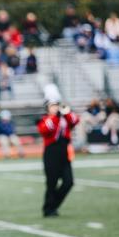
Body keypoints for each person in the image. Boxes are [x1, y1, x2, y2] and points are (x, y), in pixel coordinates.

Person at [37, 84, 79, 217]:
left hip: (64, 152)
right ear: (47, 108)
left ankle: (53, 204)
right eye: (52, 105)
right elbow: (46, 129)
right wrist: (56, 116)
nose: (56, 107)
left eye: (57, 105)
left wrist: (66, 113)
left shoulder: (64, 118)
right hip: (51, 153)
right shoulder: (45, 120)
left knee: (69, 182)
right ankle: (48, 209)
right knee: (52, 183)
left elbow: (75, 120)